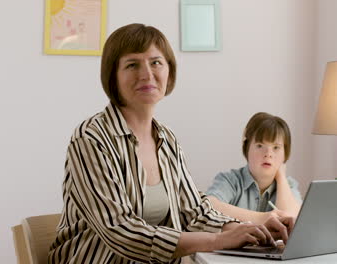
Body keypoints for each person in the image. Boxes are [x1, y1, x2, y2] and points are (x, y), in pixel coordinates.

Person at [48, 24, 294, 264]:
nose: (147, 74)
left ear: (169, 71)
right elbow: (121, 232)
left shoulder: (168, 140)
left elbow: (195, 212)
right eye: (132, 64)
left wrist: (250, 230)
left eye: (156, 62)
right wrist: (218, 241)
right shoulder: (90, 139)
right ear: (112, 75)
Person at [206, 112, 303, 224]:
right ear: (247, 148)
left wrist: (281, 177)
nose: (268, 154)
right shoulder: (230, 180)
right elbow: (209, 205)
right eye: (260, 146)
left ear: (285, 153)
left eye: (276, 147)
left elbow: (291, 221)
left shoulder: (288, 185)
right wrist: (262, 218)